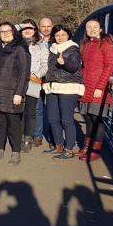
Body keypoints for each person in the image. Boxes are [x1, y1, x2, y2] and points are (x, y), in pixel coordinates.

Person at [0, 22, 31, 165]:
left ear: (14, 32)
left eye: (8, 31)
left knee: (14, 124)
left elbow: (24, 72)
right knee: (0, 123)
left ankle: (15, 152)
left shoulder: (20, 48)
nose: (5, 33)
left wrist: (19, 93)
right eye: (2, 31)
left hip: (13, 92)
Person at [43, 25, 84, 159]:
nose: (60, 37)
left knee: (66, 119)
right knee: (52, 118)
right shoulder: (53, 49)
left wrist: (63, 61)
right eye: (57, 35)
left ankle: (69, 149)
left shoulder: (73, 48)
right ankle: (58, 145)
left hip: (68, 87)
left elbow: (74, 67)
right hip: (52, 86)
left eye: (63, 35)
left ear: (68, 35)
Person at [78, 20, 113, 162]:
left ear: (100, 29)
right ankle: (87, 148)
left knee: (97, 119)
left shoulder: (106, 44)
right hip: (86, 87)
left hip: (97, 89)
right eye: (89, 27)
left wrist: (100, 87)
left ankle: (95, 150)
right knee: (88, 118)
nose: (92, 29)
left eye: (95, 27)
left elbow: (109, 67)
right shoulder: (87, 44)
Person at [19, 19, 49, 153]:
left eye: (30, 28)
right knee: (18, 110)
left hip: (33, 81)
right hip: (17, 82)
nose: (27, 30)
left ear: (35, 30)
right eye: (24, 28)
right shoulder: (16, 44)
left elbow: (45, 65)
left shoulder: (41, 46)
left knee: (31, 112)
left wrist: (37, 75)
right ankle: (19, 136)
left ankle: (27, 138)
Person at [35, 17, 55, 147]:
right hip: (38, 79)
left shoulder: (58, 39)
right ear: (38, 27)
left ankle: (53, 137)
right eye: (43, 26)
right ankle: (38, 135)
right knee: (38, 108)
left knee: (53, 109)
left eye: (48, 26)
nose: (46, 29)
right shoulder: (34, 41)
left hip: (53, 80)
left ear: (52, 27)